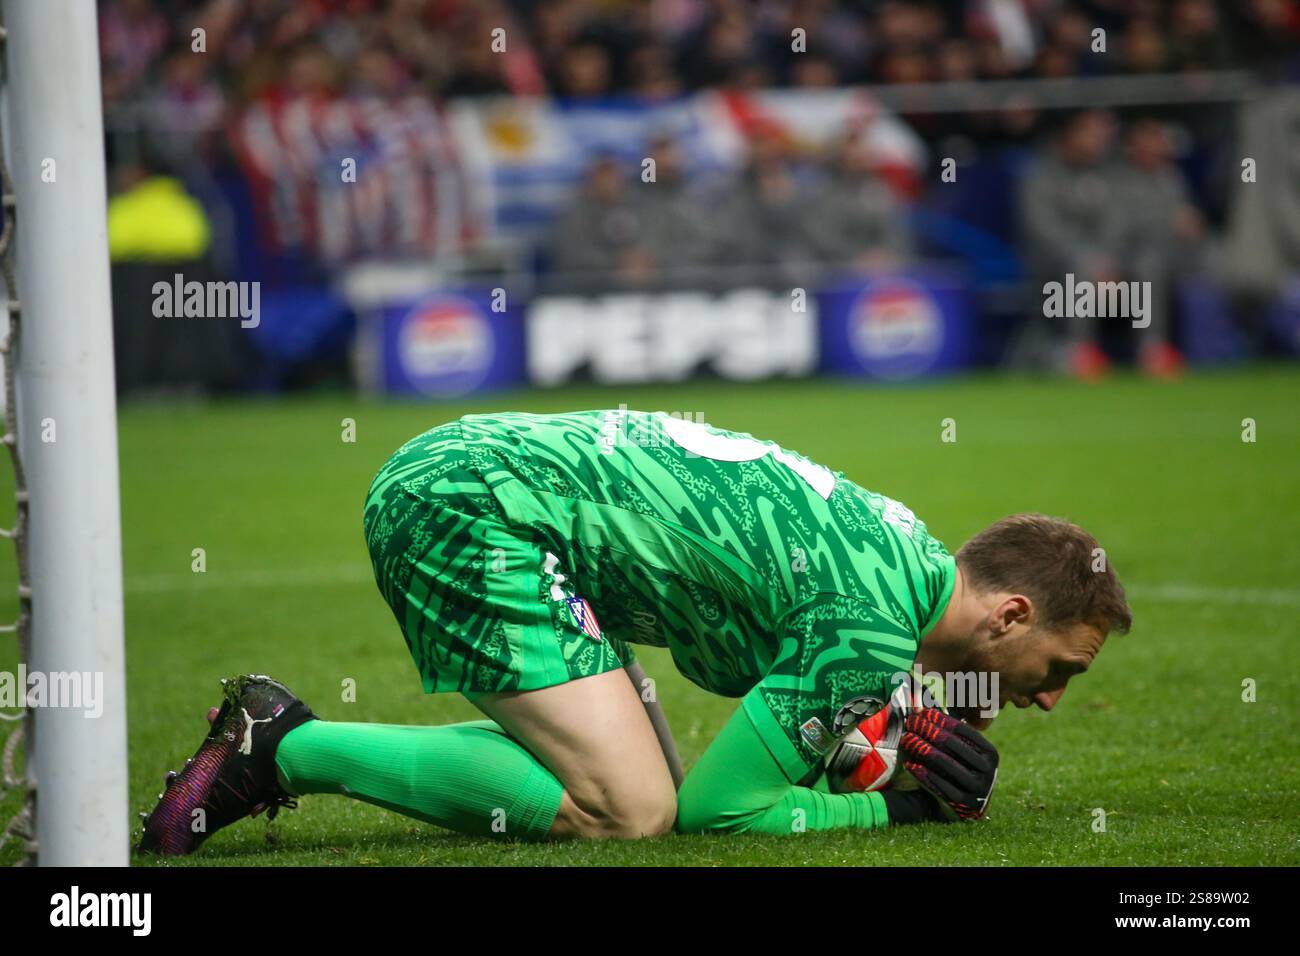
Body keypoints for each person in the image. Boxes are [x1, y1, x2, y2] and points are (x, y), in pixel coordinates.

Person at [139, 409, 1131, 852]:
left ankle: (282, 739)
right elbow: (725, 811)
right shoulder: (873, 628)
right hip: (474, 507)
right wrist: (900, 813)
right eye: (1059, 667)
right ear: (1009, 614)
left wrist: (880, 729)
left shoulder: (898, 549)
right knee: (633, 808)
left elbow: (770, 670)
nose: (1047, 695)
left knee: (619, 776)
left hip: (485, 477)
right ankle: (282, 744)